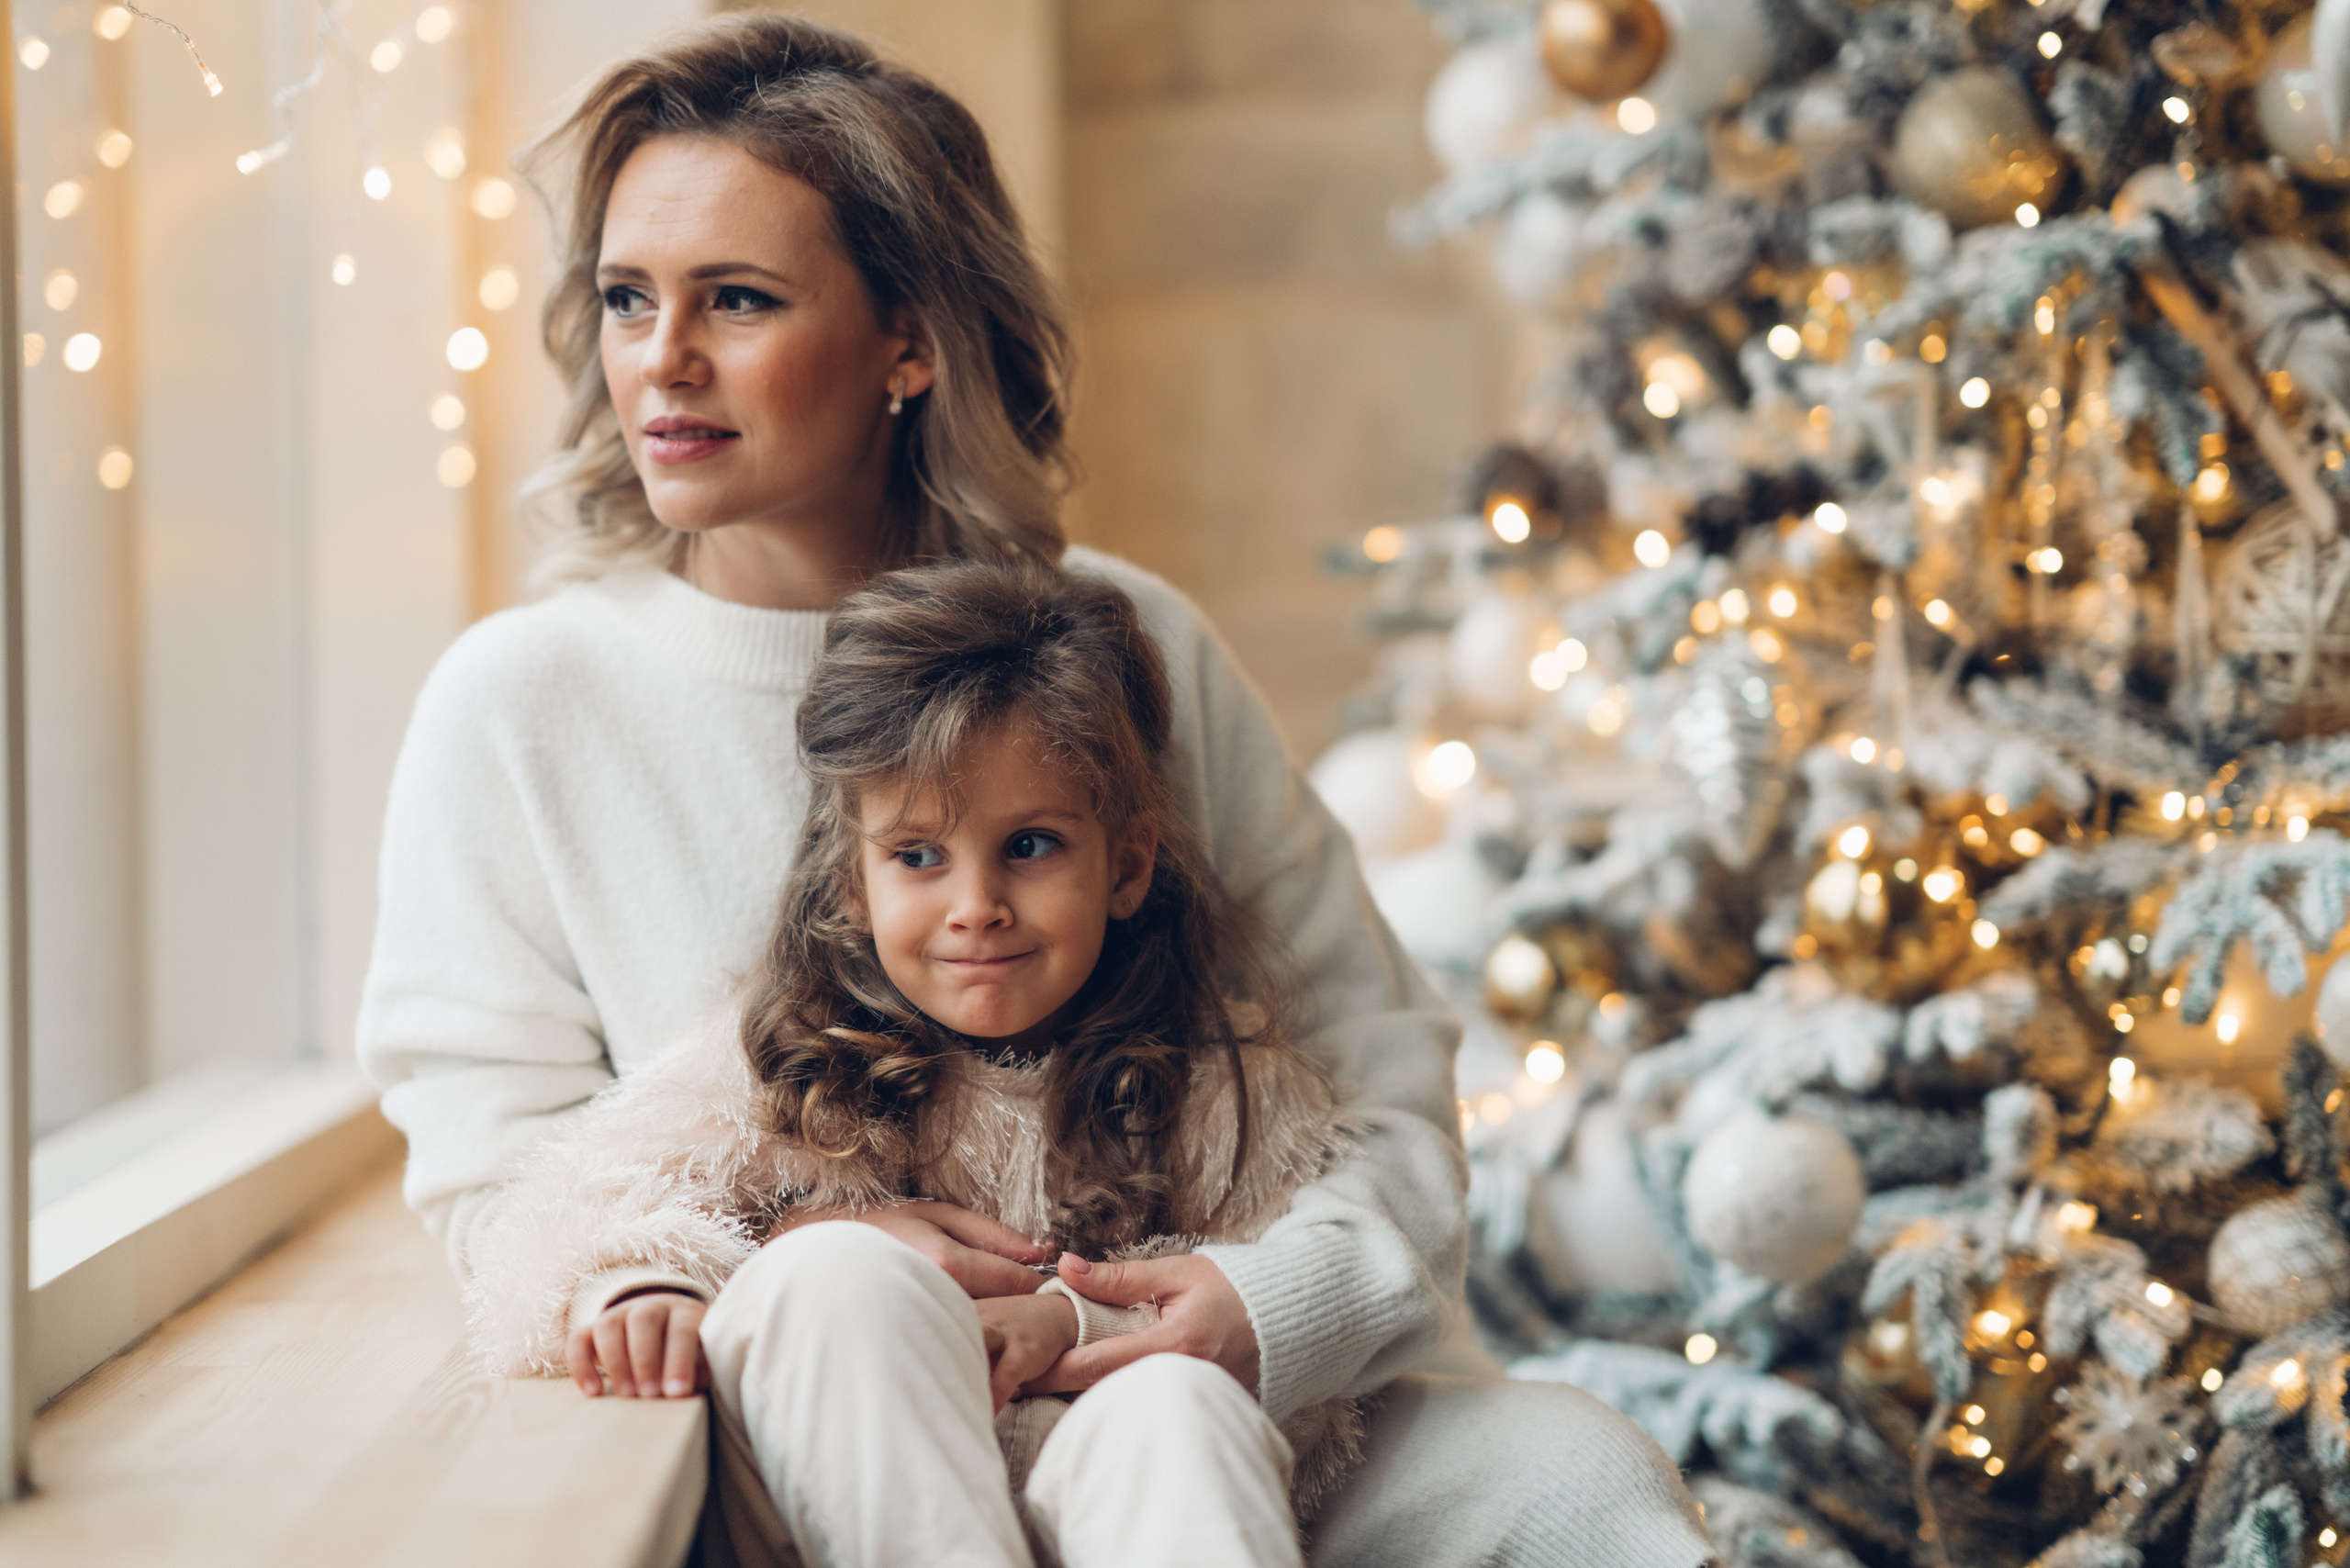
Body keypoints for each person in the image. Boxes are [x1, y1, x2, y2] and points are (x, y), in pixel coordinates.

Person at [354, 12, 1712, 1568]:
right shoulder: (522, 704)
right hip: (816, 1407)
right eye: (624, 297)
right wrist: (747, 1261)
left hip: (1173, 1392)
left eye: (737, 298)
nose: (662, 358)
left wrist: (1261, 1308)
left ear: (908, 341)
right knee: (841, 1303)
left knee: (1584, 1481)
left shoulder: (1123, 640)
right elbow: (501, 1176)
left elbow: (1376, 1066)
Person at [469, 561, 1382, 1565]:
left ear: (1125, 866)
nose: (975, 904)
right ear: (852, 884)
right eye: (917, 855)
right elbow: (549, 1224)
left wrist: (1067, 1316)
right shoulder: (786, 1056)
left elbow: (1292, 1363)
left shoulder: (1217, 1082)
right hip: (854, 1488)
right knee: (834, 1273)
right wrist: (641, 1288)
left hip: (1103, 1474)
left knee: (1177, 1401)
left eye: (1029, 845)